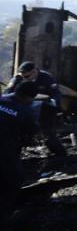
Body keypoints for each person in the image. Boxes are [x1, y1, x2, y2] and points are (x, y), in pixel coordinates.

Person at [4, 61, 66, 156]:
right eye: (23, 76)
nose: (24, 78)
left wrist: (53, 102)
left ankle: (58, 151)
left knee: (47, 131)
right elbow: (7, 93)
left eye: (27, 76)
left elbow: (56, 93)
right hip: (23, 106)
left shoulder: (46, 78)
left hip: (45, 106)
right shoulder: (18, 78)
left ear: (34, 72)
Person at [0, 81, 38, 220]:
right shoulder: (25, 111)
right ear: (29, 97)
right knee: (13, 180)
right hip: (5, 151)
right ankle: (5, 216)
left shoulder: (2, 98)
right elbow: (32, 131)